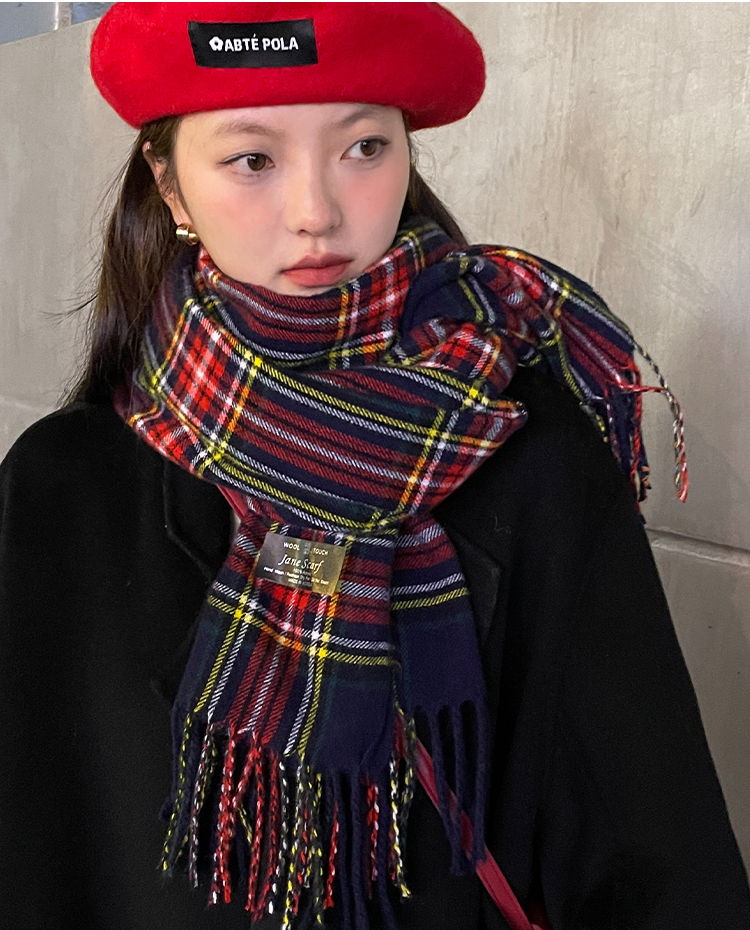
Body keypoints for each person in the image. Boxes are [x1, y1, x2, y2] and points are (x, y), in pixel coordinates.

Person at [1, 4, 748, 929]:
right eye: (253, 159)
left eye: (363, 148)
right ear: (171, 187)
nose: (316, 212)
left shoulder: (532, 451)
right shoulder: (63, 492)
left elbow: (654, 851)